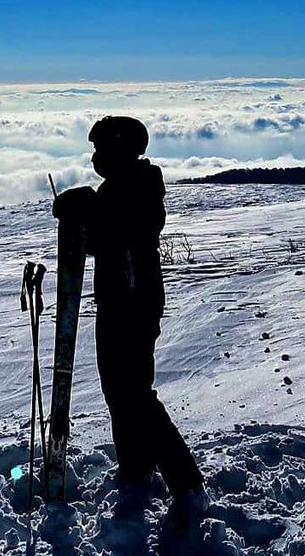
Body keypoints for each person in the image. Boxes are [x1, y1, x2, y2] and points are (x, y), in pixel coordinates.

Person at [52, 116, 208, 527]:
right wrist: (83, 217)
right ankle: (135, 469)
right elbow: (104, 240)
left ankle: (187, 483)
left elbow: (127, 228)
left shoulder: (140, 184)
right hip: (117, 300)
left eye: (102, 149)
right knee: (117, 390)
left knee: (134, 392)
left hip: (134, 303)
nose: (96, 157)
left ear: (121, 150)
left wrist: (88, 205)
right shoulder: (118, 187)